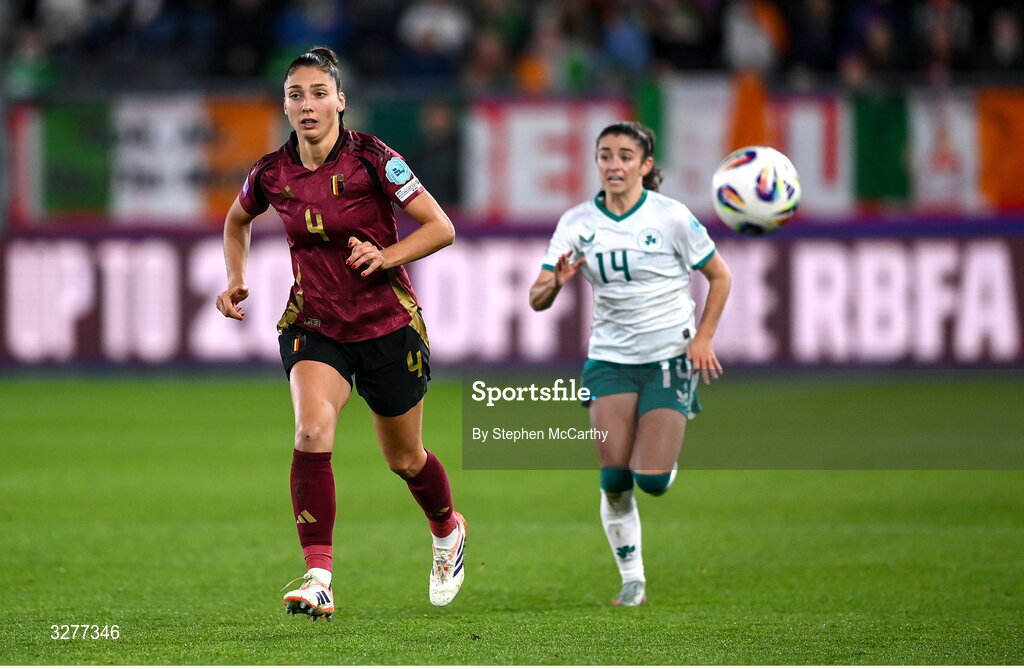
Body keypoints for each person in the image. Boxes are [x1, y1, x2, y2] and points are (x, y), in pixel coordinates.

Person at [216, 46, 466, 620]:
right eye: (296, 95)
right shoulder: (271, 174)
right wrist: (235, 278)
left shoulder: (374, 159)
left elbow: (441, 228)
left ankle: (447, 528)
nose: (308, 105)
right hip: (315, 323)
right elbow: (236, 221)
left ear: (340, 101)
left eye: (319, 93)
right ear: (284, 105)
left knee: (404, 460)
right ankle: (319, 574)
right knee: (310, 431)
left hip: (386, 324)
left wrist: (386, 255)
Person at [529, 121, 731, 606]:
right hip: (609, 360)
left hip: (668, 356)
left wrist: (703, 338)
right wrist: (556, 282)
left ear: (645, 165)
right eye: (605, 155)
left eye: (624, 156)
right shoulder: (577, 222)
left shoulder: (672, 217)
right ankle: (632, 579)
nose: (613, 165)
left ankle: (662, 455)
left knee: (652, 481)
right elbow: (536, 299)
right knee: (614, 479)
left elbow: (720, 277)